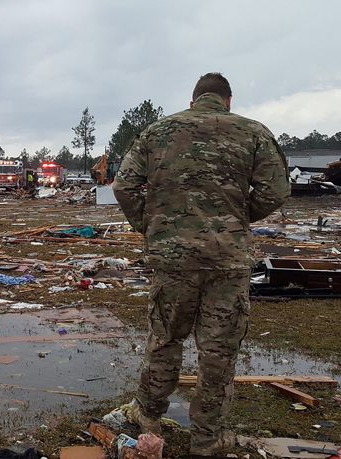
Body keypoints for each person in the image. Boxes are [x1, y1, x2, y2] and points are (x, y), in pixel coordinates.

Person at [112, 73, 290, 456]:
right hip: (227, 260)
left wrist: (152, 225)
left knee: (164, 338)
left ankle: (147, 417)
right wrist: (236, 217)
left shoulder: (158, 132)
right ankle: (207, 438)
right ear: (228, 101)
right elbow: (276, 190)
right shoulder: (253, 132)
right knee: (218, 350)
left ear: (193, 100)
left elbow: (123, 186)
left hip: (172, 259)